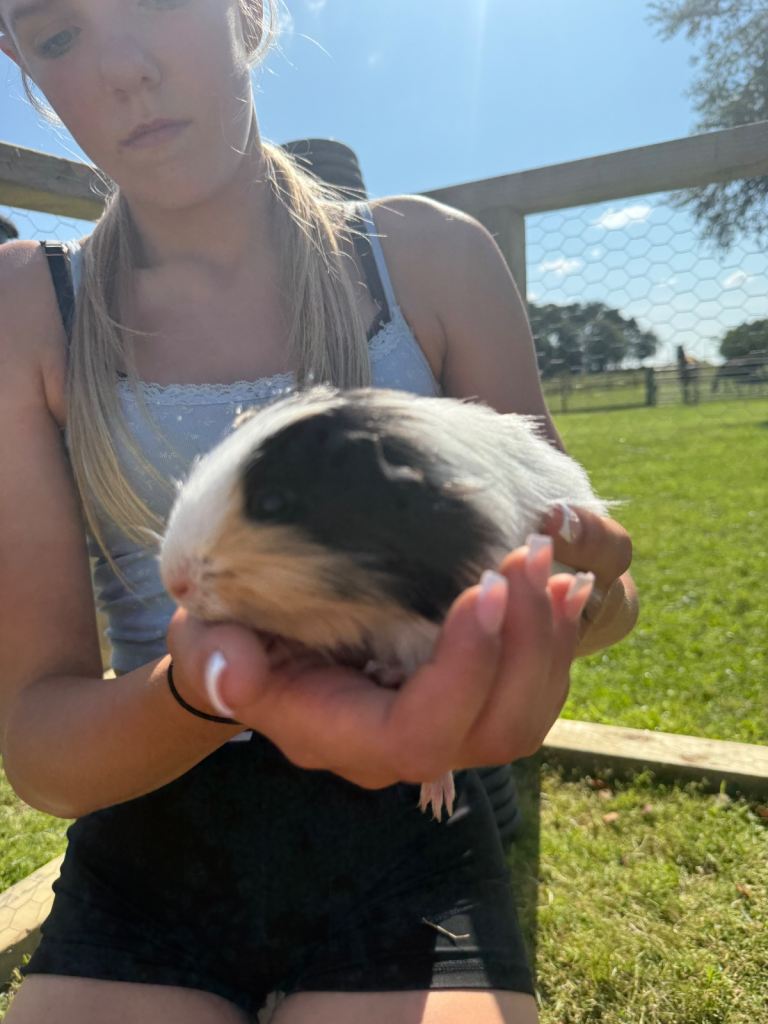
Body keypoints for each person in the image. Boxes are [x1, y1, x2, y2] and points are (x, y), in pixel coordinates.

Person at [0, 3, 637, 1022]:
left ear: (244, 9)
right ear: (15, 57)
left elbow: (589, 570)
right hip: (153, 828)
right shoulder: (24, 311)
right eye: (60, 35)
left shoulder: (436, 259)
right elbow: (39, 745)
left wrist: (578, 596)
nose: (123, 71)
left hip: (416, 833)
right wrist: (215, 688)